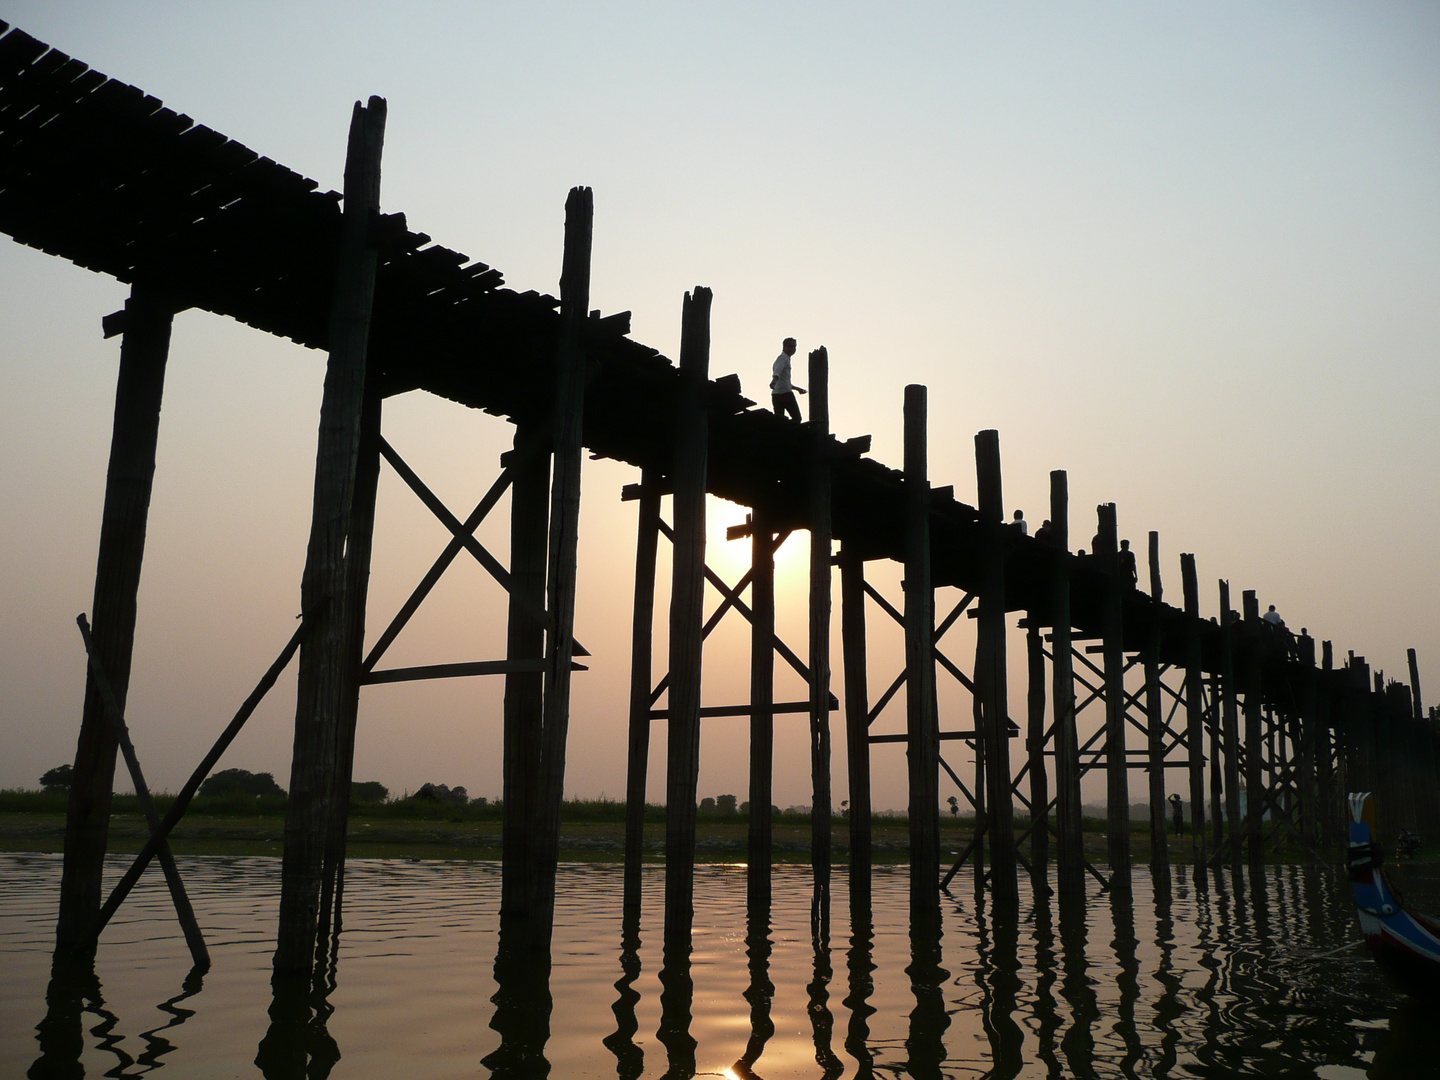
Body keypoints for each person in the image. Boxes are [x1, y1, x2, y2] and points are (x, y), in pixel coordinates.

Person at [770, 337, 805, 421]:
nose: (792, 349)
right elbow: (777, 371)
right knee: (797, 418)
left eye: (794, 347)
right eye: (790, 346)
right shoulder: (783, 358)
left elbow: (784, 381)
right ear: (784, 347)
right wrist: (773, 381)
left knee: (780, 420)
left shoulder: (784, 359)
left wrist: (797, 389)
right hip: (785, 394)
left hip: (776, 394)